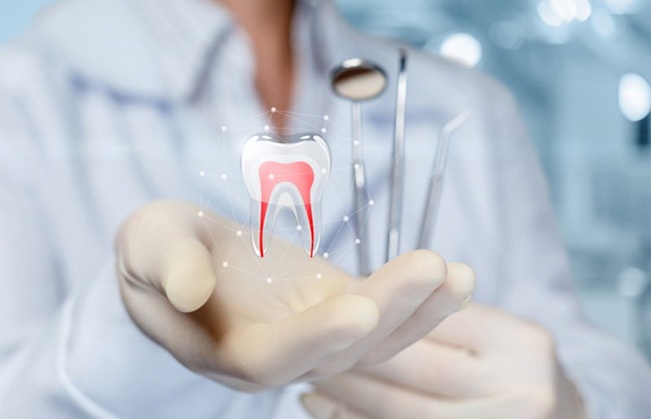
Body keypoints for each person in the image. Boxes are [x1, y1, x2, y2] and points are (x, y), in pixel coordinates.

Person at [0, 0, 649, 417]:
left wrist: (572, 402)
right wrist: (124, 333)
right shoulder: (24, 96)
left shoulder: (463, 105)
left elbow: (592, 354)